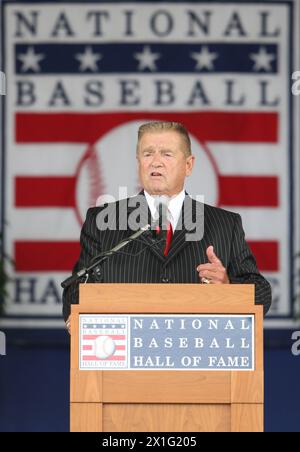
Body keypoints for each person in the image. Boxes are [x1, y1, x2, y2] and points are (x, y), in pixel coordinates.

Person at [62, 121, 272, 333]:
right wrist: (78, 311)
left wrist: (228, 288)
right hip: (123, 356)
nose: (155, 162)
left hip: (199, 354)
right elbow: (76, 292)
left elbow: (261, 292)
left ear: (188, 165)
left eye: (166, 154)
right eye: (147, 154)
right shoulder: (102, 221)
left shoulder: (226, 224)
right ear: (139, 163)